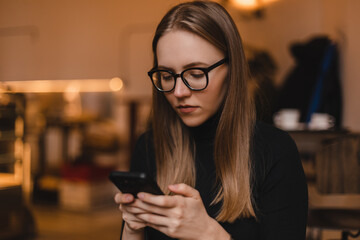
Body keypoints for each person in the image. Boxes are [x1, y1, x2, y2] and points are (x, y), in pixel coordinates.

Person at [114, 1, 308, 239]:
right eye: (166, 75)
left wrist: (208, 233)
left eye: (196, 74)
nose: (178, 92)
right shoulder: (149, 147)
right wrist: (133, 228)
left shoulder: (275, 151)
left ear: (232, 69)